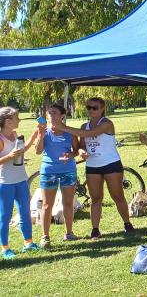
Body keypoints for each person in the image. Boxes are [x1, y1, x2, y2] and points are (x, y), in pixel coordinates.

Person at [53, 97, 134, 239]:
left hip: (111, 164)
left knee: (117, 196)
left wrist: (63, 127)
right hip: (92, 166)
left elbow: (91, 134)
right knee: (95, 198)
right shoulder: (85, 126)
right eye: (88, 107)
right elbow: (82, 144)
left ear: (102, 109)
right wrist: (81, 151)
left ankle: (127, 224)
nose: (91, 110)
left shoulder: (107, 123)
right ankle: (95, 229)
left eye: (94, 108)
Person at [1, 106, 43, 259]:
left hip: (21, 180)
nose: (19, 120)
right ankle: (5, 249)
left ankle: (28, 243)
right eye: (16, 118)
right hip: (5, 183)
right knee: (5, 216)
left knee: (25, 212)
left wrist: (35, 135)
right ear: (7, 122)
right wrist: (10, 156)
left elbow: (21, 150)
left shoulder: (13, 134)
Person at [35, 103, 80, 248]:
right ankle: (45, 237)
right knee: (47, 205)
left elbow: (77, 150)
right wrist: (41, 135)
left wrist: (70, 155)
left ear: (62, 116)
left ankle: (69, 232)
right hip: (49, 171)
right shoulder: (44, 132)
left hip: (68, 171)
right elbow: (38, 151)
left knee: (68, 203)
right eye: (49, 113)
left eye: (53, 112)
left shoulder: (70, 132)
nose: (50, 115)